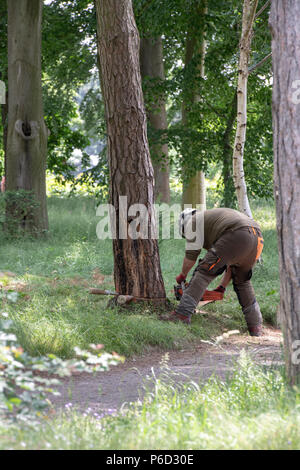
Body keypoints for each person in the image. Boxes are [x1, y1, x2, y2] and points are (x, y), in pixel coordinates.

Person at [161, 207, 264, 336]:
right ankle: (255, 326)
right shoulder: (210, 220)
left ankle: (182, 314)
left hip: (237, 233)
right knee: (242, 281)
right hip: (257, 237)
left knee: (204, 271)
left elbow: (191, 256)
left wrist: (182, 276)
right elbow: (230, 264)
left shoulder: (192, 221)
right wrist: (221, 287)